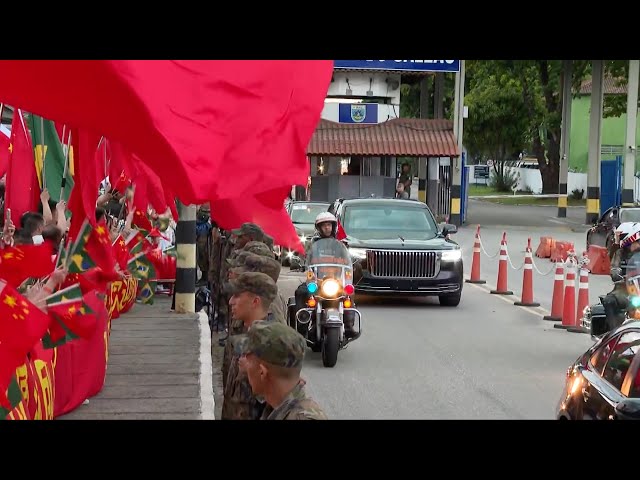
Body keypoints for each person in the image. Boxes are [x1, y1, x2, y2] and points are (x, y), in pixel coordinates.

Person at [237, 321, 327, 420]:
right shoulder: (276, 405)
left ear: (262, 372)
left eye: (248, 359)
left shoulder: (301, 417)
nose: (243, 364)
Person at [221, 272, 278, 420]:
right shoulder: (246, 335)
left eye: (237, 296)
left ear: (255, 301)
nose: (231, 301)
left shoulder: (270, 346)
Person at [603, 222, 640, 332]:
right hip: (625, 289)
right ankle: (615, 332)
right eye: (638, 242)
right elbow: (614, 266)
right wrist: (616, 273)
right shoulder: (619, 253)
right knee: (609, 301)